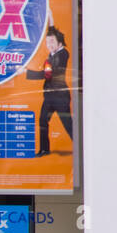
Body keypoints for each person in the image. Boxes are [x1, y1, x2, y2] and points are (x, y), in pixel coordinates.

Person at [25, 26, 73, 158]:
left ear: (60, 42)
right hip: (49, 96)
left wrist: (26, 72)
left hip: (60, 97)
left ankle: (82, 146)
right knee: (42, 121)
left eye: (52, 41)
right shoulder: (52, 55)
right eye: (47, 42)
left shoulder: (62, 54)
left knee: (68, 124)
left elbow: (49, 74)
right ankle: (44, 150)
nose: (49, 44)